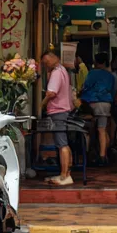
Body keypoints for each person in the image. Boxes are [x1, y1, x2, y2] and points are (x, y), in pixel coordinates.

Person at [80, 52, 117, 165]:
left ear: (97, 62)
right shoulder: (110, 75)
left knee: (90, 129)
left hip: (93, 102)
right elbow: (114, 91)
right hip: (106, 103)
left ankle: (89, 154)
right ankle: (103, 155)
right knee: (102, 129)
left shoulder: (92, 73)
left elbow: (86, 86)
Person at [40, 51, 74, 186]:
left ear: (54, 59)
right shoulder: (62, 70)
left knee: (62, 144)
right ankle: (66, 174)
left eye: (46, 62)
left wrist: (42, 103)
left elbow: (51, 92)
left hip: (58, 111)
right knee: (63, 143)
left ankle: (64, 176)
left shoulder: (56, 72)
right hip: (63, 110)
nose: (45, 65)